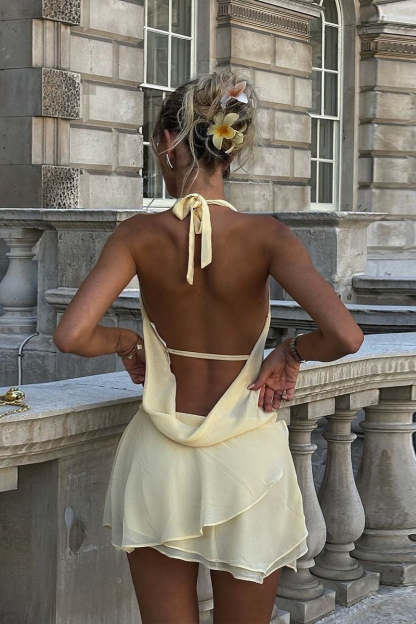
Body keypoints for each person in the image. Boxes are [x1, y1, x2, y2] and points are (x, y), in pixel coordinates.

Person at [53, 70, 364, 624]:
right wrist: (291, 351)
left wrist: (127, 341)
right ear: (230, 148)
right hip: (246, 457)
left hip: (160, 454)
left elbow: (72, 334)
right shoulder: (268, 236)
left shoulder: (137, 235)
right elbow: (346, 335)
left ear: (167, 143)